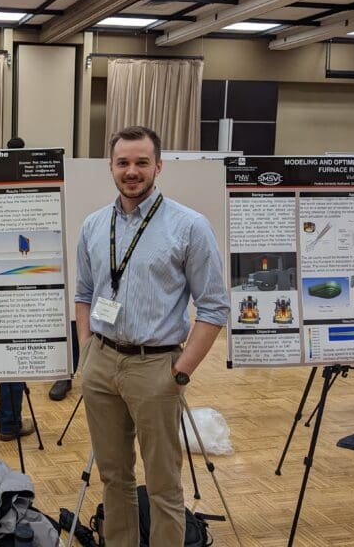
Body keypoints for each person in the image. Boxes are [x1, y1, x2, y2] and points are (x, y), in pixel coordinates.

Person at [76, 125, 228, 546]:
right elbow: (84, 294)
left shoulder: (189, 227)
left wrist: (180, 372)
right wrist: (87, 351)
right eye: (123, 162)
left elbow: (214, 307)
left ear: (158, 166)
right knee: (114, 477)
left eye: (142, 162)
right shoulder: (93, 225)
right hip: (101, 363)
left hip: (156, 366)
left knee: (163, 485)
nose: (132, 171)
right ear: (111, 166)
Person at [0, 136, 34, 441]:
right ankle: (10, 423)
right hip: (13, 285)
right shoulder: (26, 195)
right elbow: (26, 242)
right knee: (12, 350)